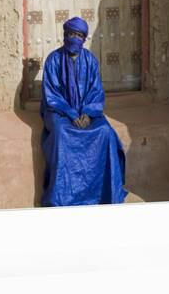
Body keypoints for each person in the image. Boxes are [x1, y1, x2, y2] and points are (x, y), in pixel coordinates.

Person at [39, 16, 128, 206]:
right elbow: (51, 95)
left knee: (104, 132)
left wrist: (87, 113)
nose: (74, 38)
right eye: (71, 34)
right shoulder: (53, 60)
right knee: (62, 134)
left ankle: (104, 193)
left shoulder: (91, 61)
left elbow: (96, 91)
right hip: (60, 112)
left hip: (88, 112)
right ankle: (61, 196)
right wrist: (71, 114)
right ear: (65, 35)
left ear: (83, 38)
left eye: (79, 35)